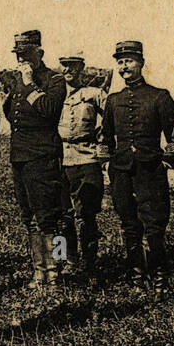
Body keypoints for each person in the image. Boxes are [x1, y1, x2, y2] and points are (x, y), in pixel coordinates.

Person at [102, 41, 174, 289]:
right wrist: (107, 165)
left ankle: (160, 277)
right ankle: (137, 276)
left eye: (129, 61)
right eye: (120, 61)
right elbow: (104, 137)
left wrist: (168, 161)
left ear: (141, 63)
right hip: (121, 171)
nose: (124, 66)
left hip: (150, 171)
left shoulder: (159, 96)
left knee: (154, 225)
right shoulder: (113, 100)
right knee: (129, 223)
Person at [1, 30, 67, 288]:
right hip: (20, 155)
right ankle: (39, 272)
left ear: (40, 52)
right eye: (19, 54)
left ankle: (56, 271)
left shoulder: (54, 79)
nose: (22, 59)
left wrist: (29, 84)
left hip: (43, 155)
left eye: (27, 54)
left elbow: (49, 111)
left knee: (50, 217)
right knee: (29, 217)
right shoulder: (17, 81)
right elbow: (13, 115)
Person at [55, 53, 109, 281]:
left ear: (82, 68)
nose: (69, 70)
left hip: (87, 159)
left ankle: (89, 262)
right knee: (60, 216)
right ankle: (63, 261)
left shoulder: (95, 94)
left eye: (73, 66)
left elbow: (111, 121)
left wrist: (101, 146)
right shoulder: (54, 95)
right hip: (59, 160)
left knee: (87, 214)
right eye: (65, 66)